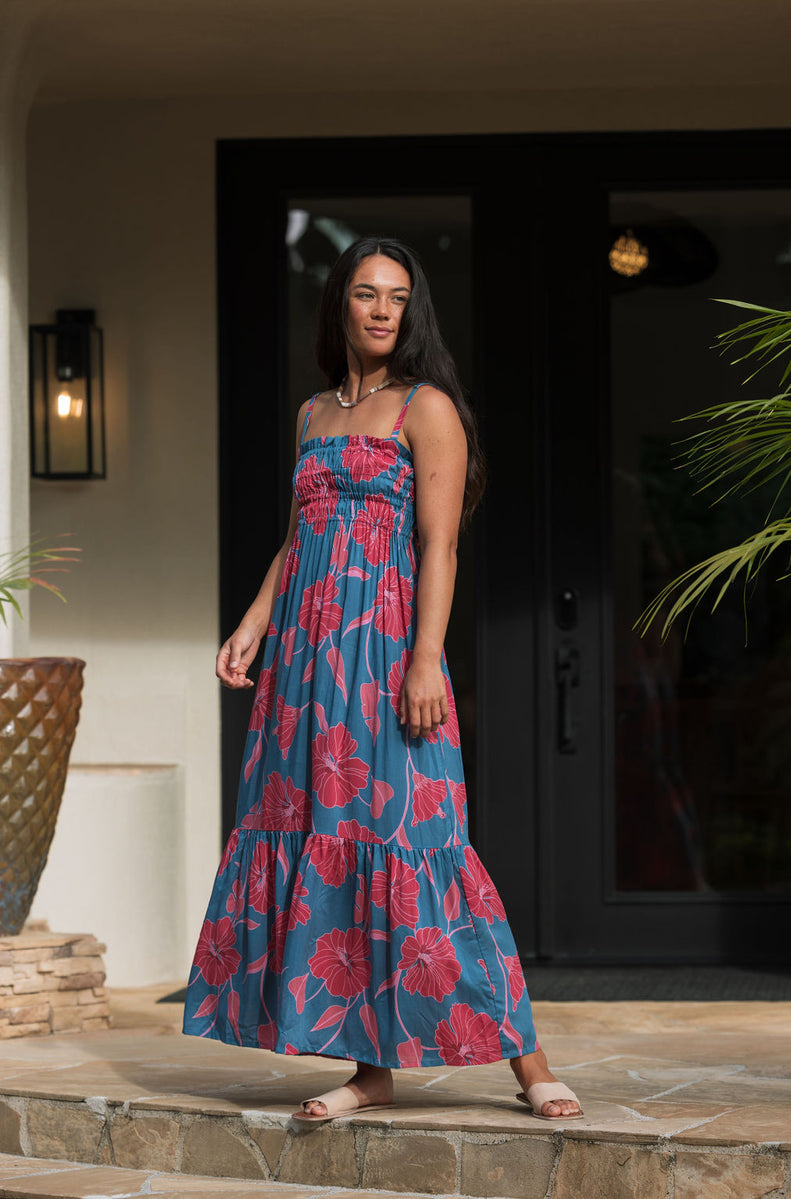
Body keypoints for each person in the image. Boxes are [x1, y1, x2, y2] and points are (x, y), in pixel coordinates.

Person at [182, 236, 582, 1123]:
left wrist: (427, 657)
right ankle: (371, 1073)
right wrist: (254, 622)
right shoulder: (312, 415)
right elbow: (298, 541)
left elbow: (439, 545)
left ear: (411, 313)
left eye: (396, 298)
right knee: (337, 839)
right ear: (339, 306)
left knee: (422, 847)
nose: (379, 310)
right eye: (364, 293)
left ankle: (529, 1065)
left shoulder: (426, 407)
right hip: (307, 670)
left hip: (388, 656)